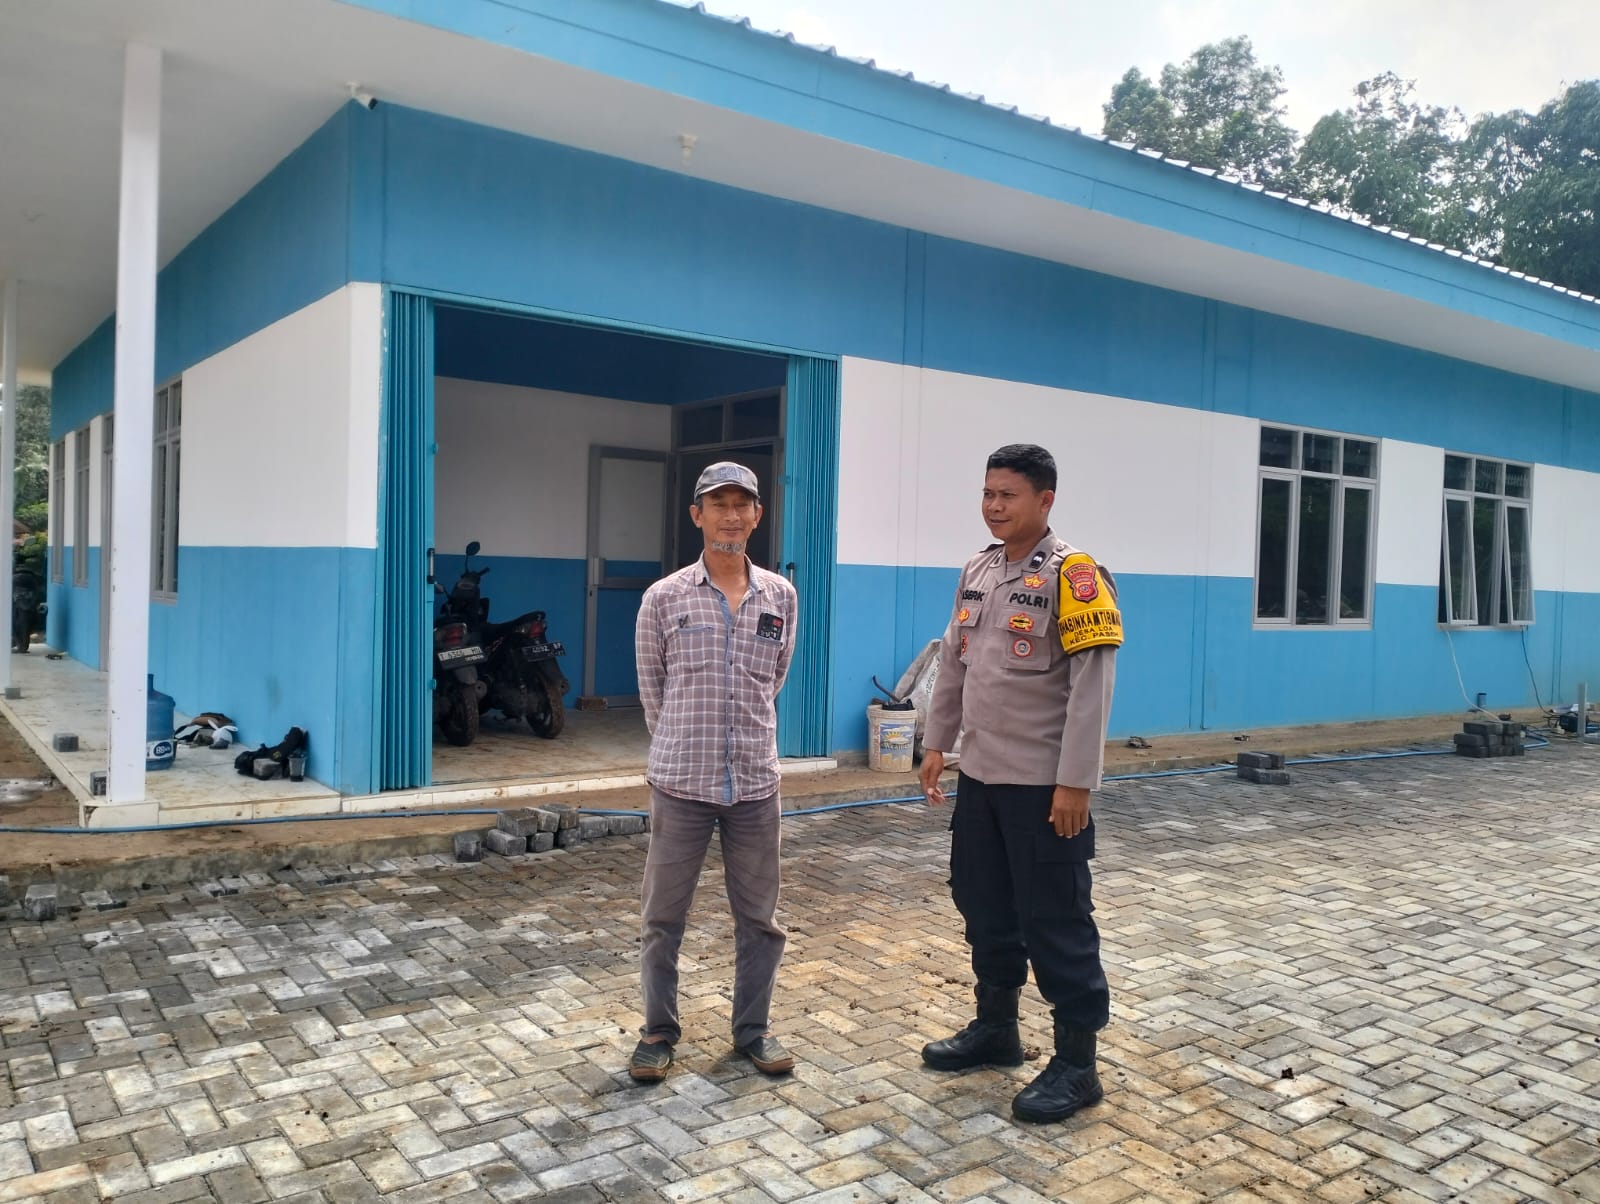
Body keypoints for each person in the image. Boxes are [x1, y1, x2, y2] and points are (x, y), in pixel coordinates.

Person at [918, 442, 1123, 1124]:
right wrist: (937, 742)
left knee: (1055, 918)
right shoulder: (978, 569)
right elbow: (955, 662)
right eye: (988, 493)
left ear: (1045, 500)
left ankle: (1077, 1065)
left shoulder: (1076, 575)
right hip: (980, 777)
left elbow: (1091, 686)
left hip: (1043, 787)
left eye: (1008, 495)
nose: (994, 505)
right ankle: (996, 1028)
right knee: (983, 903)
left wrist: (1076, 783)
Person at [628, 461, 800, 1083]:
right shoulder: (664, 597)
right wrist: (684, 743)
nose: (731, 515)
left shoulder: (780, 596)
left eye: (741, 504)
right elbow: (653, 691)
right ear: (697, 515)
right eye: (718, 504)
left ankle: (753, 1031)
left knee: (760, 920)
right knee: (662, 918)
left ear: (757, 515)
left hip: (754, 784)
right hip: (682, 785)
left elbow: (772, 679)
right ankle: (657, 1032)